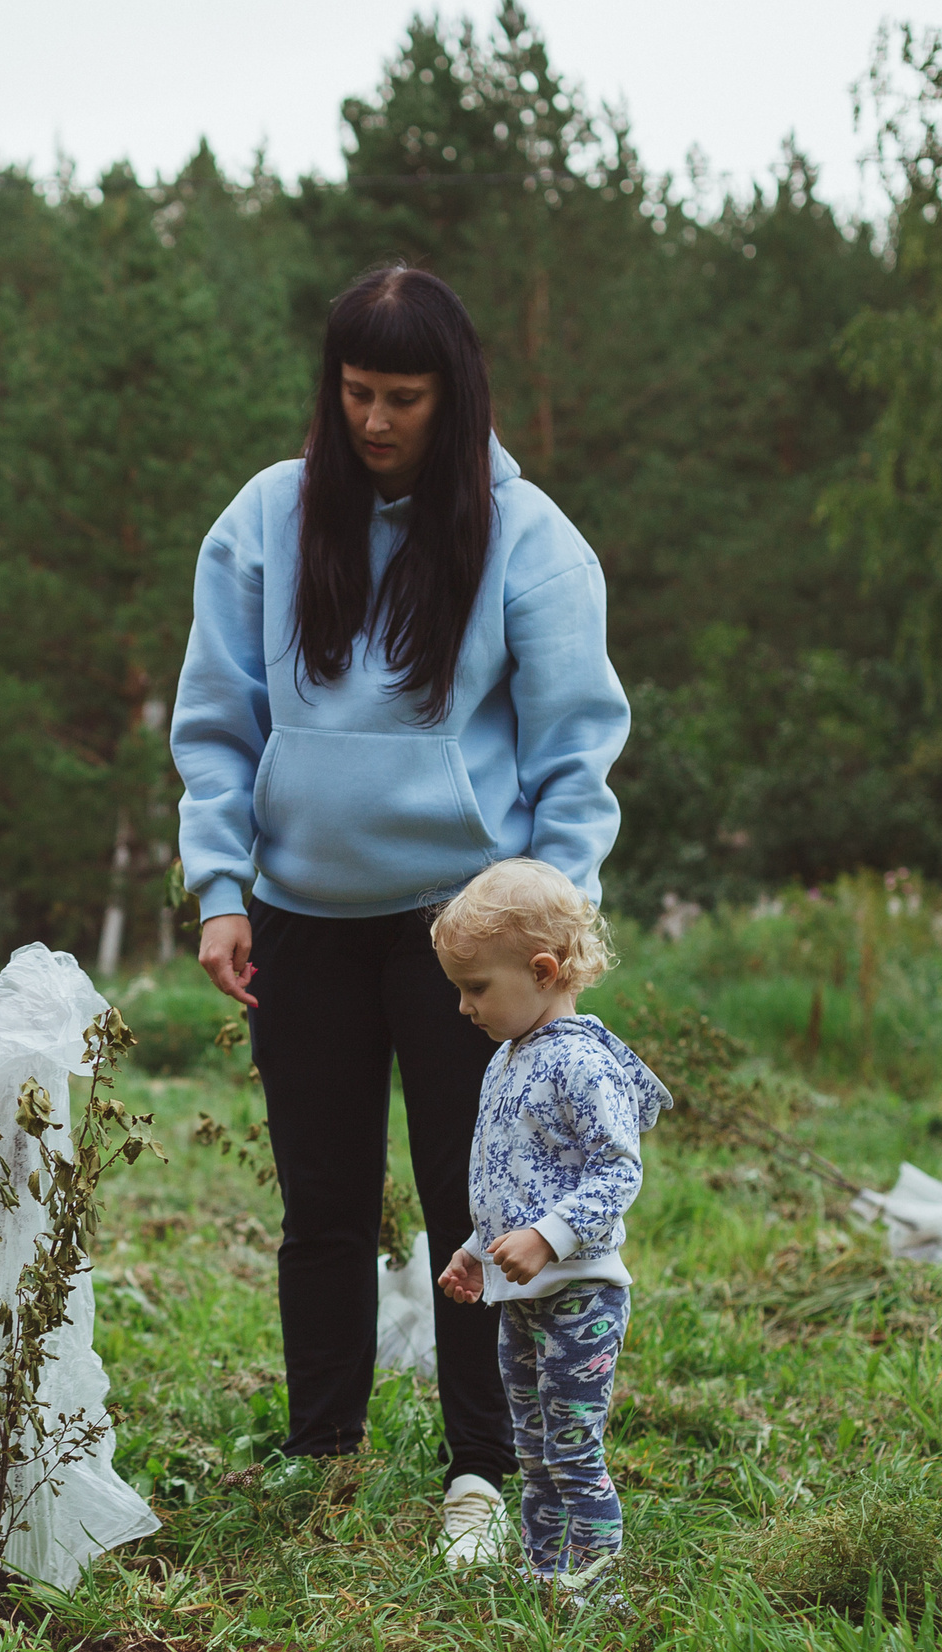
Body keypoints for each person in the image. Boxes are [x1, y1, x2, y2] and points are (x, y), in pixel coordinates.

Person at [170, 265, 630, 1563]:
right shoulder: (265, 521)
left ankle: (482, 1467)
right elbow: (217, 724)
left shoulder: (528, 540)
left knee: (476, 1199)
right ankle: (326, 1450)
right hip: (299, 916)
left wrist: (555, 930)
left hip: (464, 930)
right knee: (322, 1198)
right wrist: (221, 889)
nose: (375, 420)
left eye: (404, 397)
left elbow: (574, 754)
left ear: (454, 392)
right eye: (356, 393)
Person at [434, 859, 666, 1597]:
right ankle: (545, 1573)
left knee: (571, 1450)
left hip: (581, 1296)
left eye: (476, 988)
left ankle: (593, 1584)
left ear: (542, 970)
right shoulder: (505, 1060)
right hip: (522, 1298)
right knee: (531, 1451)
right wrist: (480, 1250)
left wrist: (548, 1238)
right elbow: (514, 1178)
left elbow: (617, 1170)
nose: (464, 1007)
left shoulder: (580, 1062)